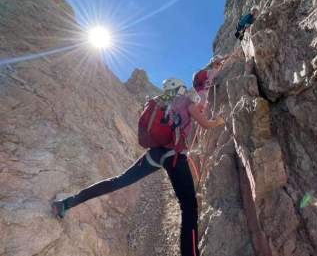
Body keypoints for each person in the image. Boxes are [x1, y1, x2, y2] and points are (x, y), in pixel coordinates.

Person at [51, 78, 224, 256]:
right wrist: (219, 121)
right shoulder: (186, 101)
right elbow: (205, 123)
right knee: (188, 208)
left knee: (118, 181)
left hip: (155, 154)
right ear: (180, 88)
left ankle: (65, 204)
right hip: (175, 157)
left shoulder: (159, 102)